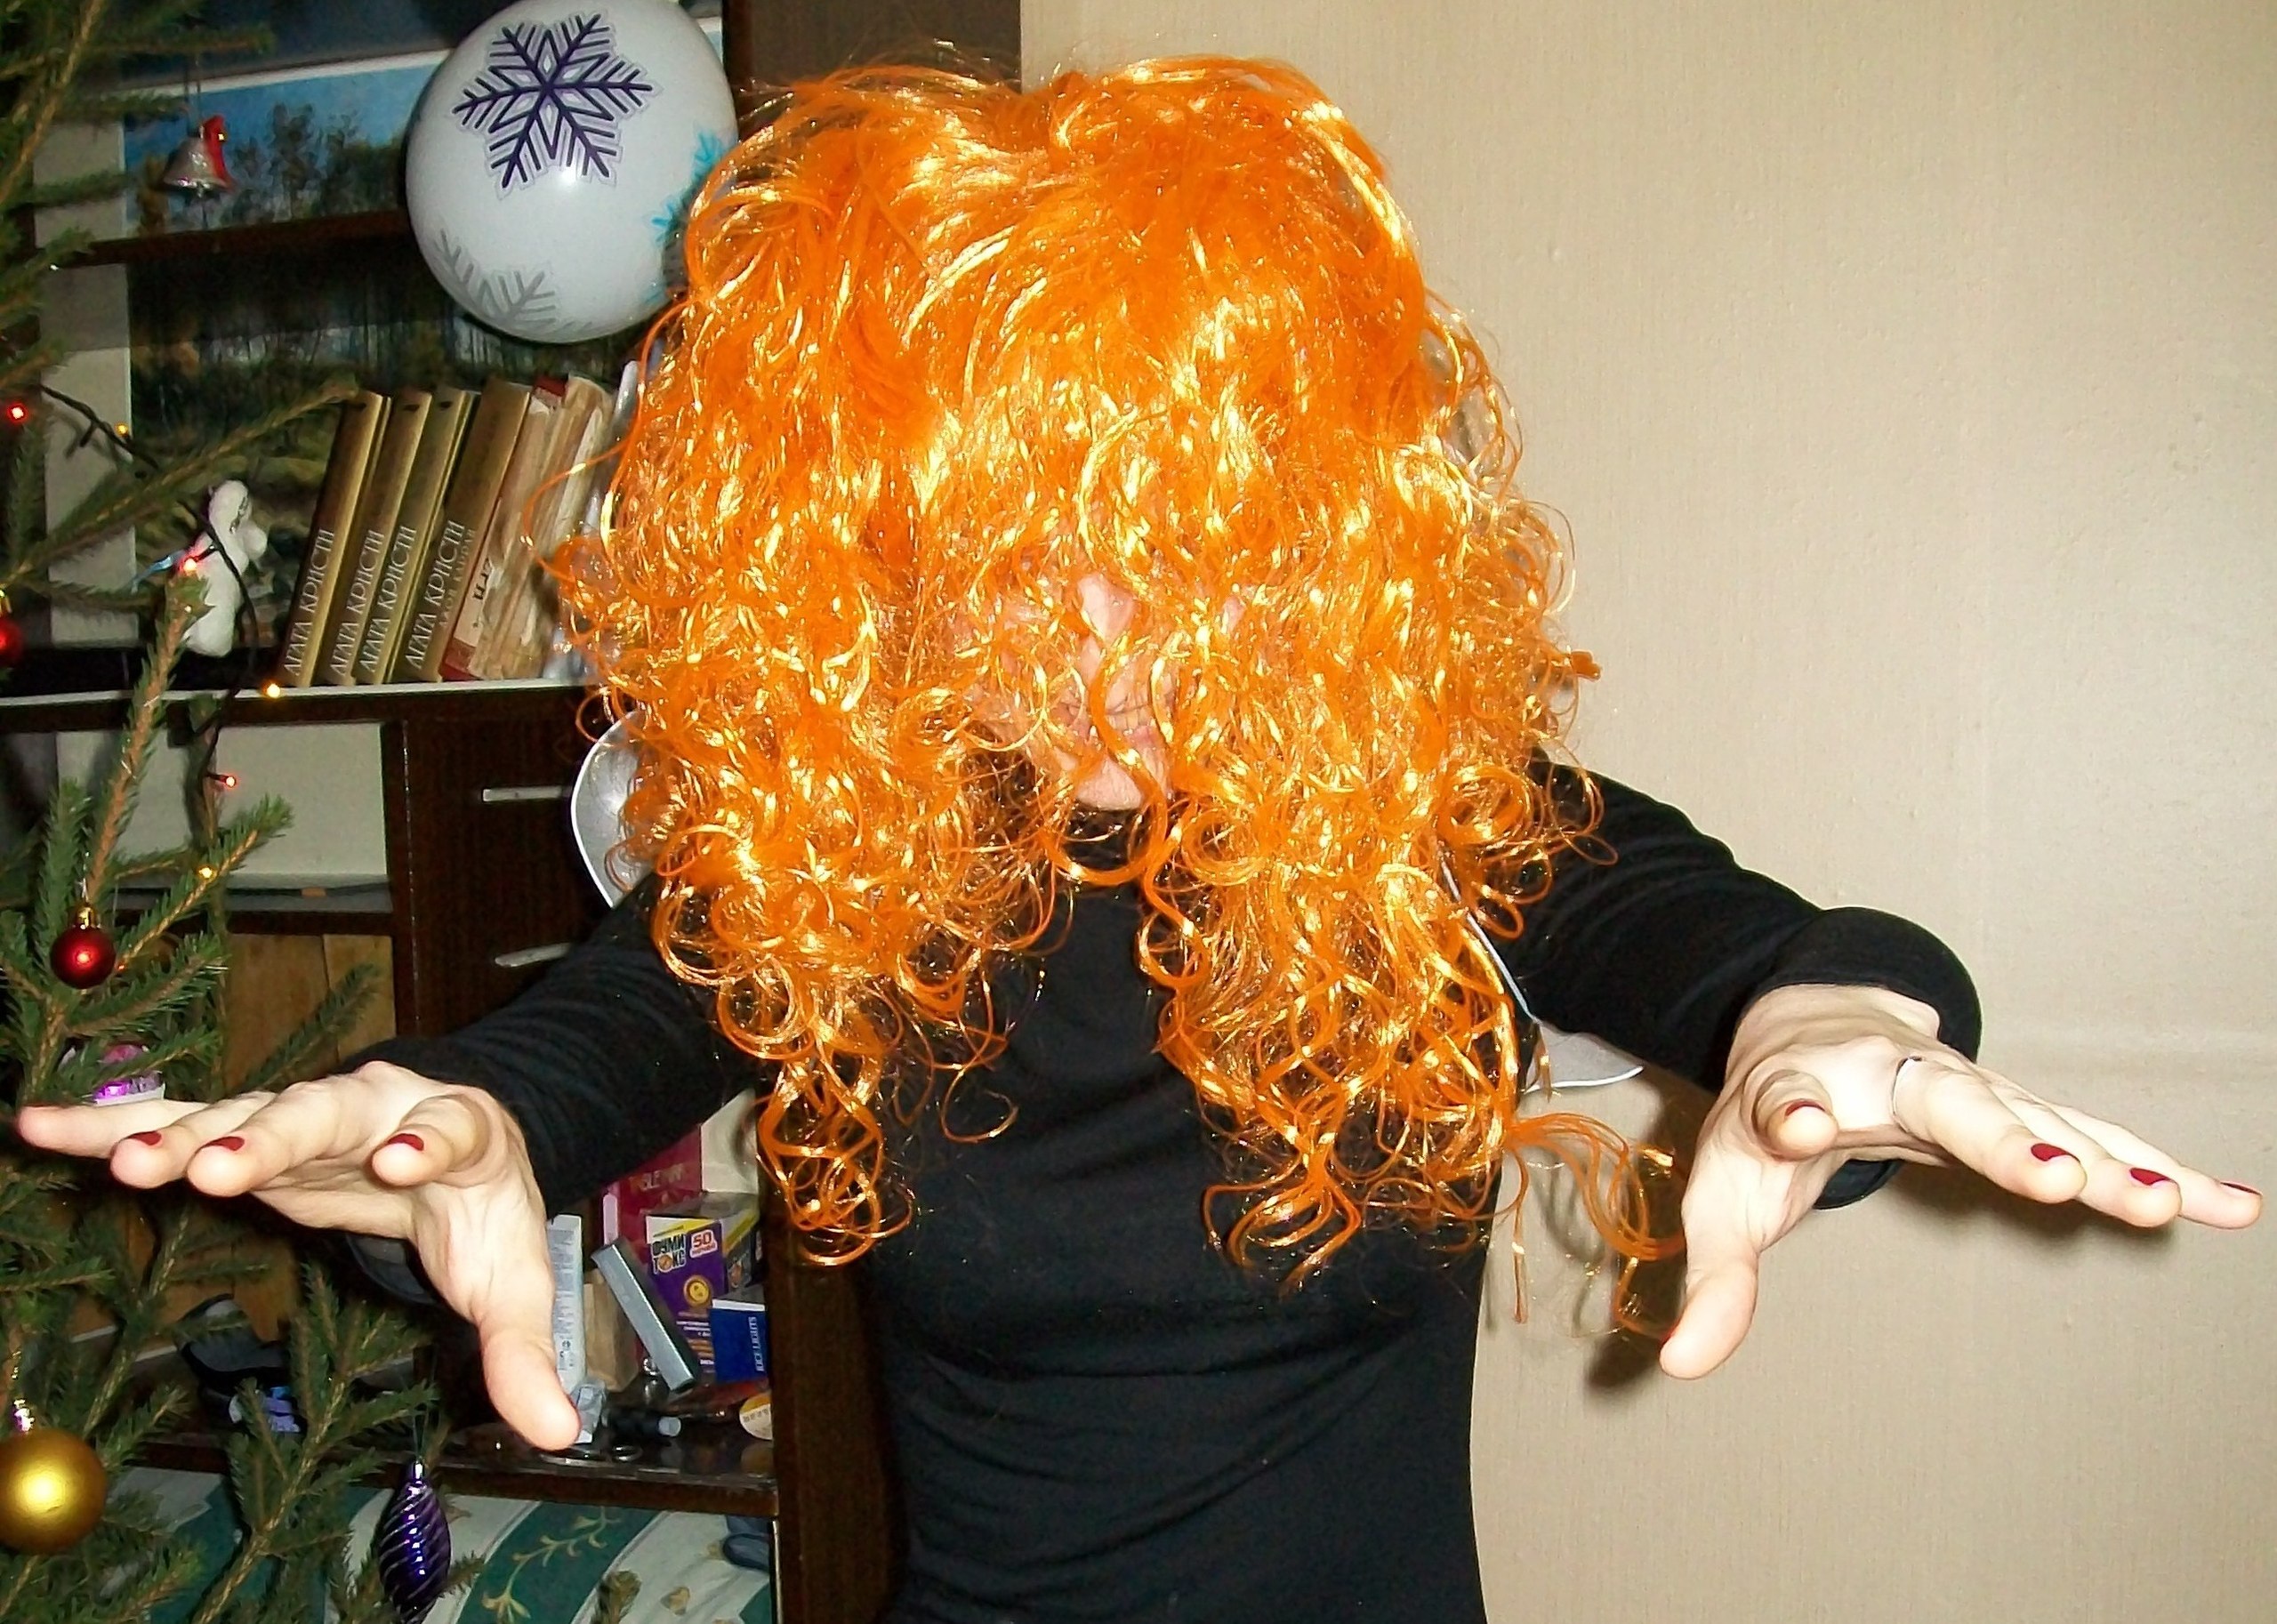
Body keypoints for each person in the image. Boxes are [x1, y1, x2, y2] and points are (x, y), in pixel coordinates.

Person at [18, 58, 2258, 1624]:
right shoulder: (846, 864)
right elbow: (582, 1047)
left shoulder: (1422, 826)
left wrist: (1832, 1034)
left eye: (1178, 552)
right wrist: (458, 1132)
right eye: (1015, 562)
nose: (1102, 644)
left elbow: (1727, 940)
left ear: (1304, 542)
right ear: (885, 569)